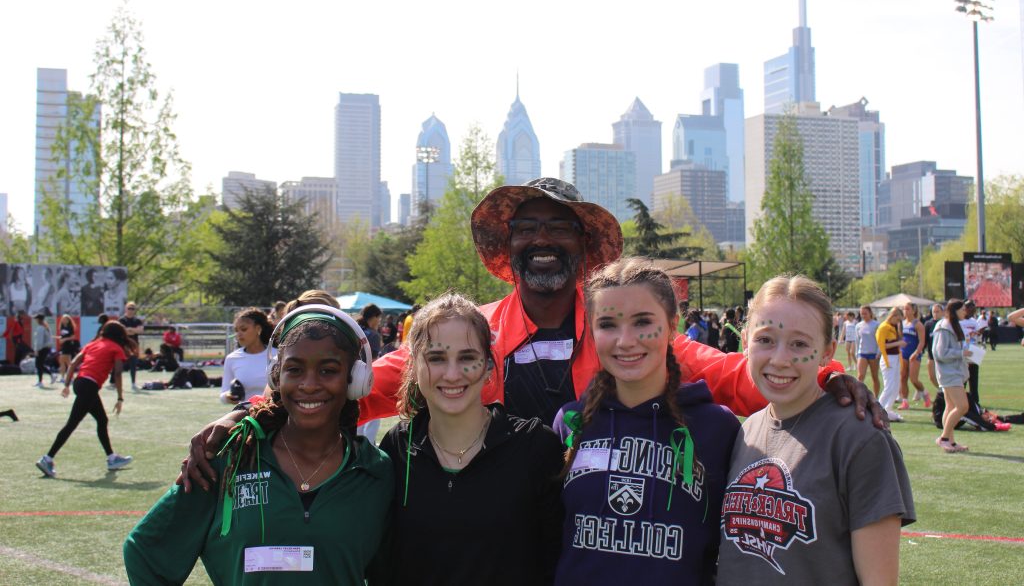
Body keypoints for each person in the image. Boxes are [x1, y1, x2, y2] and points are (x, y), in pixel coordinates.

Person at [181, 179, 881, 490]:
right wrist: (247, 419)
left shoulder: (625, 338)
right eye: (527, 228)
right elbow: (355, 387)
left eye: (559, 227)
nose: (543, 240)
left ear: (583, 246)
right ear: (507, 247)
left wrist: (828, 379)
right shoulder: (469, 335)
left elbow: (732, 374)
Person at [124, 305, 393, 584]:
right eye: (294, 369)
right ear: (276, 376)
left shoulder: (375, 470)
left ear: (356, 379)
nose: (309, 384)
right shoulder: (231, 455)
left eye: (328, 370)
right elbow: (145, 552)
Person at [717, 276, 915, 584]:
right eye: (765, 340)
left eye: (799, 344)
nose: (779, 359)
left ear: (827, 352)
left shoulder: (859, 438)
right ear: (745, 342)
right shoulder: (746, 431)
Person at [553, 259, 739, 584]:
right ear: (592, 331)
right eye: (608, 324)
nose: (625, 340)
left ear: (672, 325)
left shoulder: (717, 428)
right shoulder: (571, 422)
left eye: (642, 322)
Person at [375, 293, 564, 585]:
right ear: (414, 366)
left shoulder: (535, 447)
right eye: (436, 358)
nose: (452, 374)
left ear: (488, 365)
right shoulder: (397, 447)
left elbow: (555, 564)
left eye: (467, 357)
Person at [36, 321, 134, 478]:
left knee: (102, 420)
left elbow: (73, 363)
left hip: (80, 383)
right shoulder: (116, 348)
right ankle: (47, 458)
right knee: (72, 423)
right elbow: (117, 374)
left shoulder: (93, 344)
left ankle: (111, 458)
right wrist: (120, 398)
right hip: (89, 386)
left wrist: (67, 385)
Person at [932, 299, 972, 453]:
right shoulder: (944, 327)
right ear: (954, 311)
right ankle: (944, 438)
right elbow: (939, 353)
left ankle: (951, 441)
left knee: (950, 407)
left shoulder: (952, 325)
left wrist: (965, 355)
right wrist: (961, 353)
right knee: (962, 406)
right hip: (949, 373)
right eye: (962, 309)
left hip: (953, 371)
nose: (965, 312)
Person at [220, 308, 274, 404]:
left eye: (244, 329)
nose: (239, 334)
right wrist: (228, 396)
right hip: (245, 412)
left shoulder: (277, 355)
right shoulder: (231, 358)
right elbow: (223, 395)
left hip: (274, 411)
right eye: (236, 330)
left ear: (258, 329)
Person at [875, 307, 905, 422]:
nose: (898, 322)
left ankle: (887, 409)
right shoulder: (883, 327)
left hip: (895, 357)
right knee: (889, 386)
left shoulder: (893, 327)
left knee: (896, 386)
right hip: (888, 358)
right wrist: (898, 343)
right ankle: (878, 410)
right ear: (893, 316)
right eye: (898, 319)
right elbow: (882, 345)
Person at [898, 302, 928, 410]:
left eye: (908, 309)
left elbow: (922, 341)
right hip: (903, 353)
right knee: (903, 377)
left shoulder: (918, 324)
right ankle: (905, 401)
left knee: (913, 379)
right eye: (904, 309)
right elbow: (899, 338)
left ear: (914, 311)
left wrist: (916, 353)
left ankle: (924, 392)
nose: (905, 311)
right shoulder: (901, 323)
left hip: (914, 354)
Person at [118, 302, 145, 391]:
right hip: (123, 345)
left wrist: (130, 329)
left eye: (133, 308)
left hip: (134, 345)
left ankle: (133, 383)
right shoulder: (121, 320)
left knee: (133, 364)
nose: (131, 310)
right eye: (129, 308)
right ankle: (116, 382)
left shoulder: (137, 321)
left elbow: (140, 330)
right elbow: (122, 331)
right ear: (126, 309)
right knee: (120, 364)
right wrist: (133, 330)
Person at [855, 306, 880, 396]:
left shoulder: (876, 324)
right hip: (862, 353)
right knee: (860, 376)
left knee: (874, 376)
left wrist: (878, 352)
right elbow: (857, 340)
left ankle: (876, 397)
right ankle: (859, 396)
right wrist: (856, 352)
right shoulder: (858, 325)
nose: (863, 315)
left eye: (865, 313)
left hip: (873, 354)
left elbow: (879, 340)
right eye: (862, 314)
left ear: (870, 313)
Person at [923, 303, 944, 389]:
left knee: (942, 376)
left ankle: (944, 391)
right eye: (934, 312)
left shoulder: (945, 323)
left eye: (937, 311)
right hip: (931, 355)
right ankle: (941, 390)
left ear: (942, 312)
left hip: (943, 355)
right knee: (932, 376)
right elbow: (925, 339)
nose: (935, 314)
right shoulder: (928, 324)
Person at [32, 313, 55, 387]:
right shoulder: (45, 326)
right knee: (40, 364)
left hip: (42, 348)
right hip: (46, 348)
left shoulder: (40, 328)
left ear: (38, 319)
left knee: (38, 364)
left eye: (36, 319)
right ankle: (50, 376)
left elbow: (39, 341)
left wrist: (37, 350)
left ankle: (41, 381)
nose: (35, 320)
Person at [57, 315, 80, 383]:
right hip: (63, 346)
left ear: (68, 320)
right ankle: (64, 377)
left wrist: (64, 339)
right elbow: (63, 336)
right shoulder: (62, 327)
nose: (64, 320)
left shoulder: (70, 327)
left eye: (66, 319)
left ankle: (70, 377)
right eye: (63, 319)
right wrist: (60, 338)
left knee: (66, 361)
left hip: (68, 346)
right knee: (63, 362)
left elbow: (72, 337)